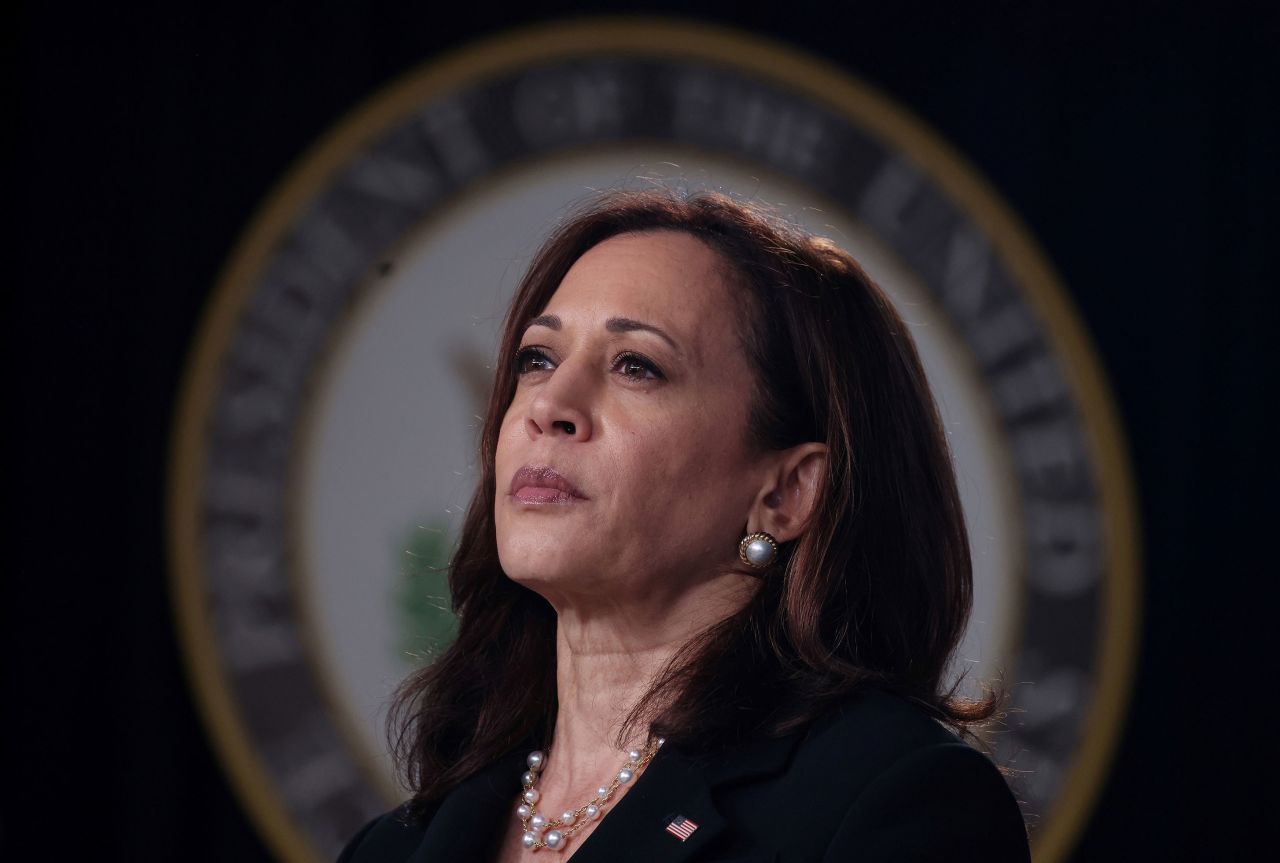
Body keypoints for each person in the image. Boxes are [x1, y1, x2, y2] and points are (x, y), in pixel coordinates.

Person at [338, 190, 1031, 862]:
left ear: (784, 493)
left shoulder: (894, 800)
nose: (549, 405)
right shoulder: (392, 846)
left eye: (636, 366)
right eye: (536, 359)